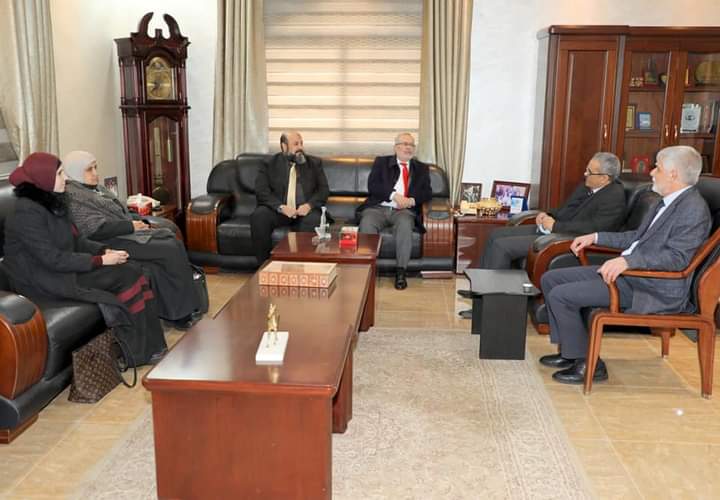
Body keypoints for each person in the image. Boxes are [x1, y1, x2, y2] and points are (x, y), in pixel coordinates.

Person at [539, 145, 710, 384]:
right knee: (551, 279)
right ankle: (571, 352)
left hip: (652, 287)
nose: (651, 172)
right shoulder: (666, 202)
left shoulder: (692, 209)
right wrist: (595, 237)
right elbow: (636, 238)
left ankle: (589, 364)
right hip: (634, 275)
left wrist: (628, 260)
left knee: (561, 295)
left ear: (673, 174)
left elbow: (677, 258)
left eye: (657, 168)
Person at [4, 152, 167, 366]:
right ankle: (137, 354)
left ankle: (152, 346)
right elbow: (51, 259)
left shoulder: (54, 201)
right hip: (45, 279)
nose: (66, 178)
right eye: (60, 173)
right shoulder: (26, 213)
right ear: (44, 178)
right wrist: (100, 261)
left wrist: (104, 251)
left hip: (65, 267)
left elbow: (77, 240)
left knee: (134, 269)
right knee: (126, 276)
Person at [457, 152, 626, 317]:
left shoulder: (614, 197)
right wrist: (547, 214)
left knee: (502, 246)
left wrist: (555, 226)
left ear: (604, 178)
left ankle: (491, 308)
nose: (585, 174)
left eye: (589, 171)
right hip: (555, 231)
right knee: (496, 235)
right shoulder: (588, 186)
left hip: (568, 240)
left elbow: (594, 228)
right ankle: (479, 295)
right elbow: (566, 209)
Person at [62, 150, 202, 330]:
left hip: (124, 234)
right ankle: (182, 313)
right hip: (109, 242)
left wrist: (139, 221)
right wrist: (131, 226)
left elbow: (122, 211)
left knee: (169, 241)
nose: (95, 173)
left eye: (96, 167)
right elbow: (95, 229)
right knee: (169, 248)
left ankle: (178, 310)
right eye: (89, 169)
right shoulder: (73, 196)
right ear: (75, 171)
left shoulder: (96, 188)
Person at [357, 132, 432, 290]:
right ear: (396, 147)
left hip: (403, 211)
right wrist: (394, 196)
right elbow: (373, 186)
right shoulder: (381, 162)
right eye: (404, 144)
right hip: (378, 208)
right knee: (367, 222)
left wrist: (411, 200)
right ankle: (367, 271)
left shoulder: (421, 168)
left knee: (405, 224)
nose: (408, 147)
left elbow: (427, 192)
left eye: (411, 145)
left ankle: (401, 272)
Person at [250, 131, 329, 264]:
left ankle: (302, 266)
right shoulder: (269, 164)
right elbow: (262, 191)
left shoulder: (314, 163)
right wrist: (281, 207)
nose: (300, 147)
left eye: (301, 143)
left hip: (305, 211)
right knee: (259, 216)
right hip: (280, 211)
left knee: (313, 220)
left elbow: (323, 190)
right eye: (296, 144)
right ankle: (264, 265)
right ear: (284, 146)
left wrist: (309, 205)